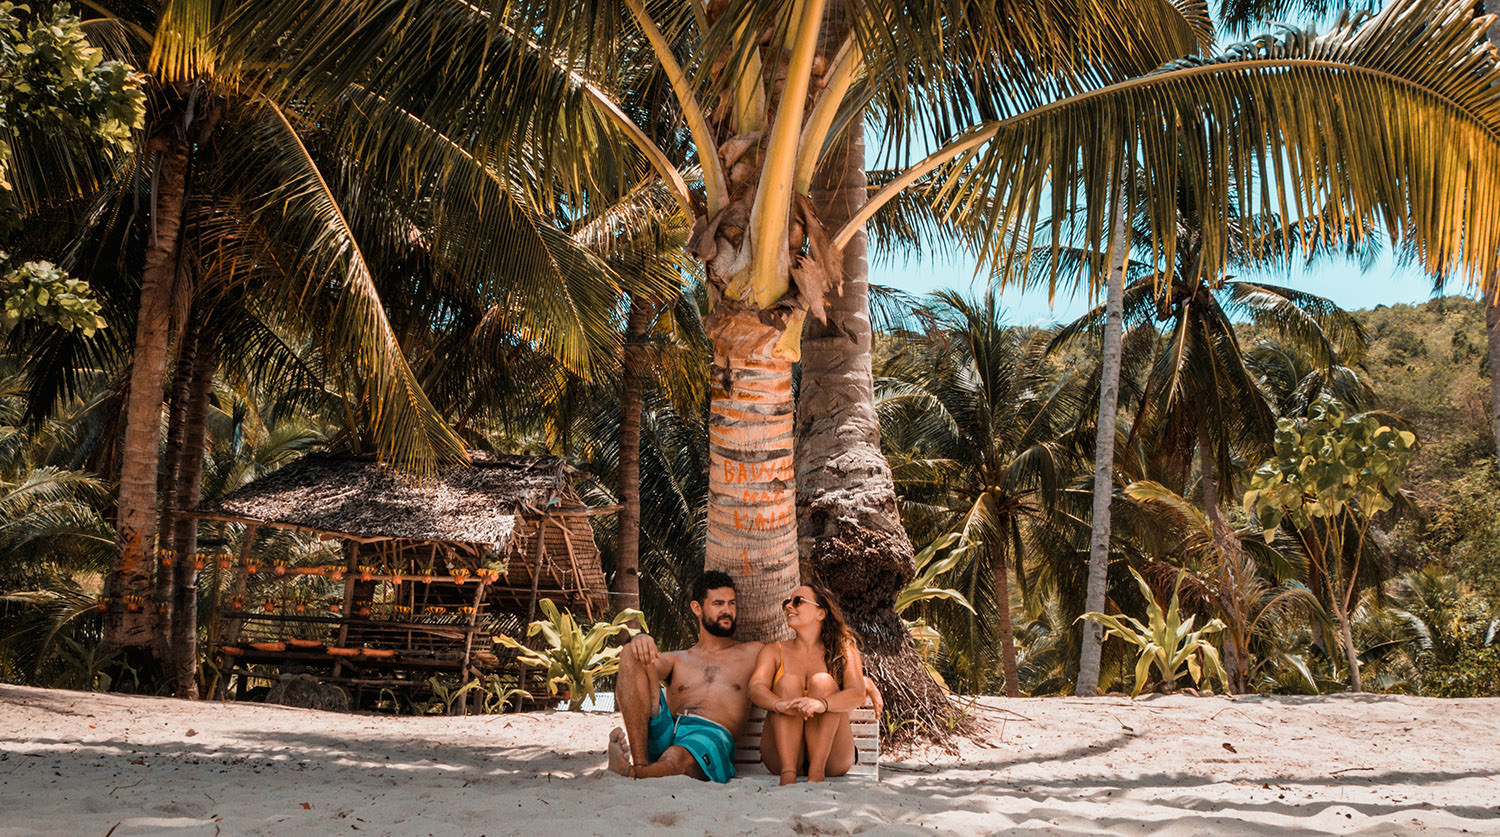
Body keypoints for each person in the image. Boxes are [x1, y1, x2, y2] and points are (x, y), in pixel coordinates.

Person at [606, 571, 762, 782]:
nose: (727, 610)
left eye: (731, 603)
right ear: (697, 608)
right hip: (668, 729)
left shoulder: (752, 653)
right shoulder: (678, 659)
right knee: (630, 652)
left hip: (711, 735)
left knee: (676, 756)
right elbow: (637, 666)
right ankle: (641, 763)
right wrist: (641, 639)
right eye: (718, 603)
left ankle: (632, 774)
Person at [748, 582, 868, 785]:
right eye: (787, 602)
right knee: (788, 682)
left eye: (798, 601)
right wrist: (779, 704)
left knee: (822, 681)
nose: (789, 607)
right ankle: (788, 775)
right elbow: (755, 688)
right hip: (780, 757)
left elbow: (857, 693)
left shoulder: (843, 649)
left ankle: (816, 773)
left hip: (832, 760)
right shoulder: (773, 651)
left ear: (821, 613)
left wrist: (822, 704)